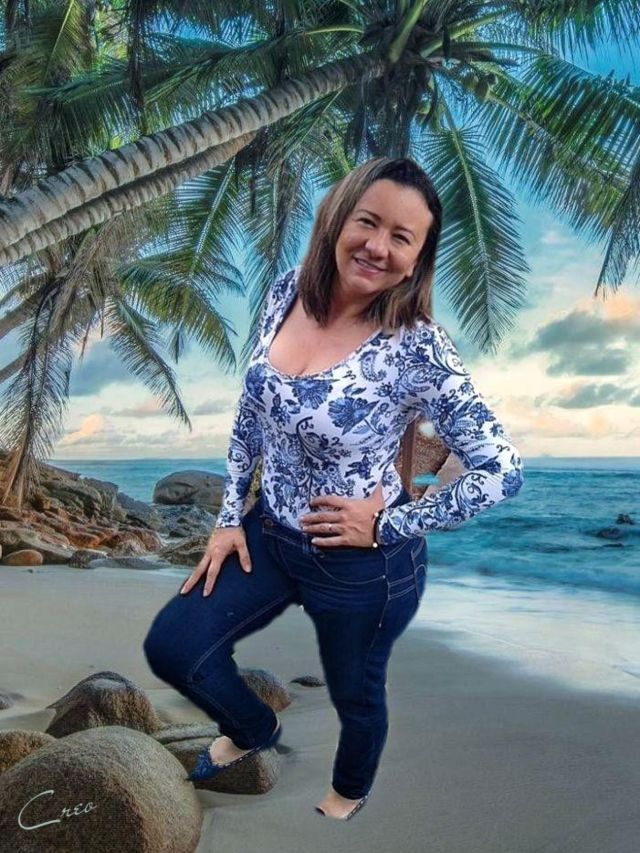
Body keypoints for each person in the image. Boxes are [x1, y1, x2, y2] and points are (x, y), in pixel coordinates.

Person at [143, 156, 524, 821]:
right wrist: (229, 517)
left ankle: (347, 794)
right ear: (338, 218)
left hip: (363, 565)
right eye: (367, 222)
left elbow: (501, 468)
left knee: (356, 694)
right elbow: (252, 411)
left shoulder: (418, 348)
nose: (378, 246)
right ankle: (256, 728)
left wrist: (388, 525)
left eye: (401, 237)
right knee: (173, 646)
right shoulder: (286, 290)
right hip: (269, 533)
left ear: (417, 259)